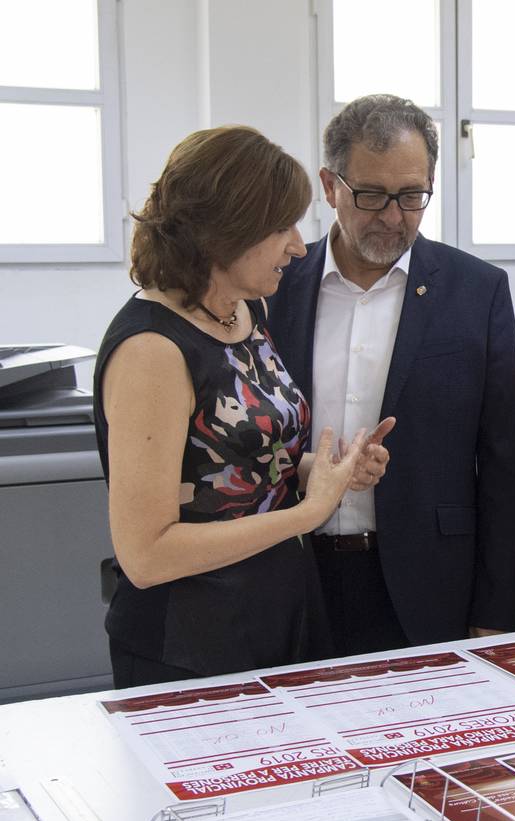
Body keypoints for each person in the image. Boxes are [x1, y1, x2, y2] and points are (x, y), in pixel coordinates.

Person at [94, 126, 393, 689]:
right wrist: (309, 513)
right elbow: (146, 553)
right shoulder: (152, 351)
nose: (299, 246)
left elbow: (240, 468)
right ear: (223, 229)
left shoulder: (244, 311)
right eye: (281, 226)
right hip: (191, 644)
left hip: (279, 613)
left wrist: (325, 472)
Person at [268, 94, 515, 654]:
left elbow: (506, 466)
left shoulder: (476, 292)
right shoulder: (276, 286)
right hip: (290, 578)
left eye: (412, 196)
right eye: (372, 195)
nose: (393, 216)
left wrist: (496, 613)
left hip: (428, 587)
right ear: (330, 185)